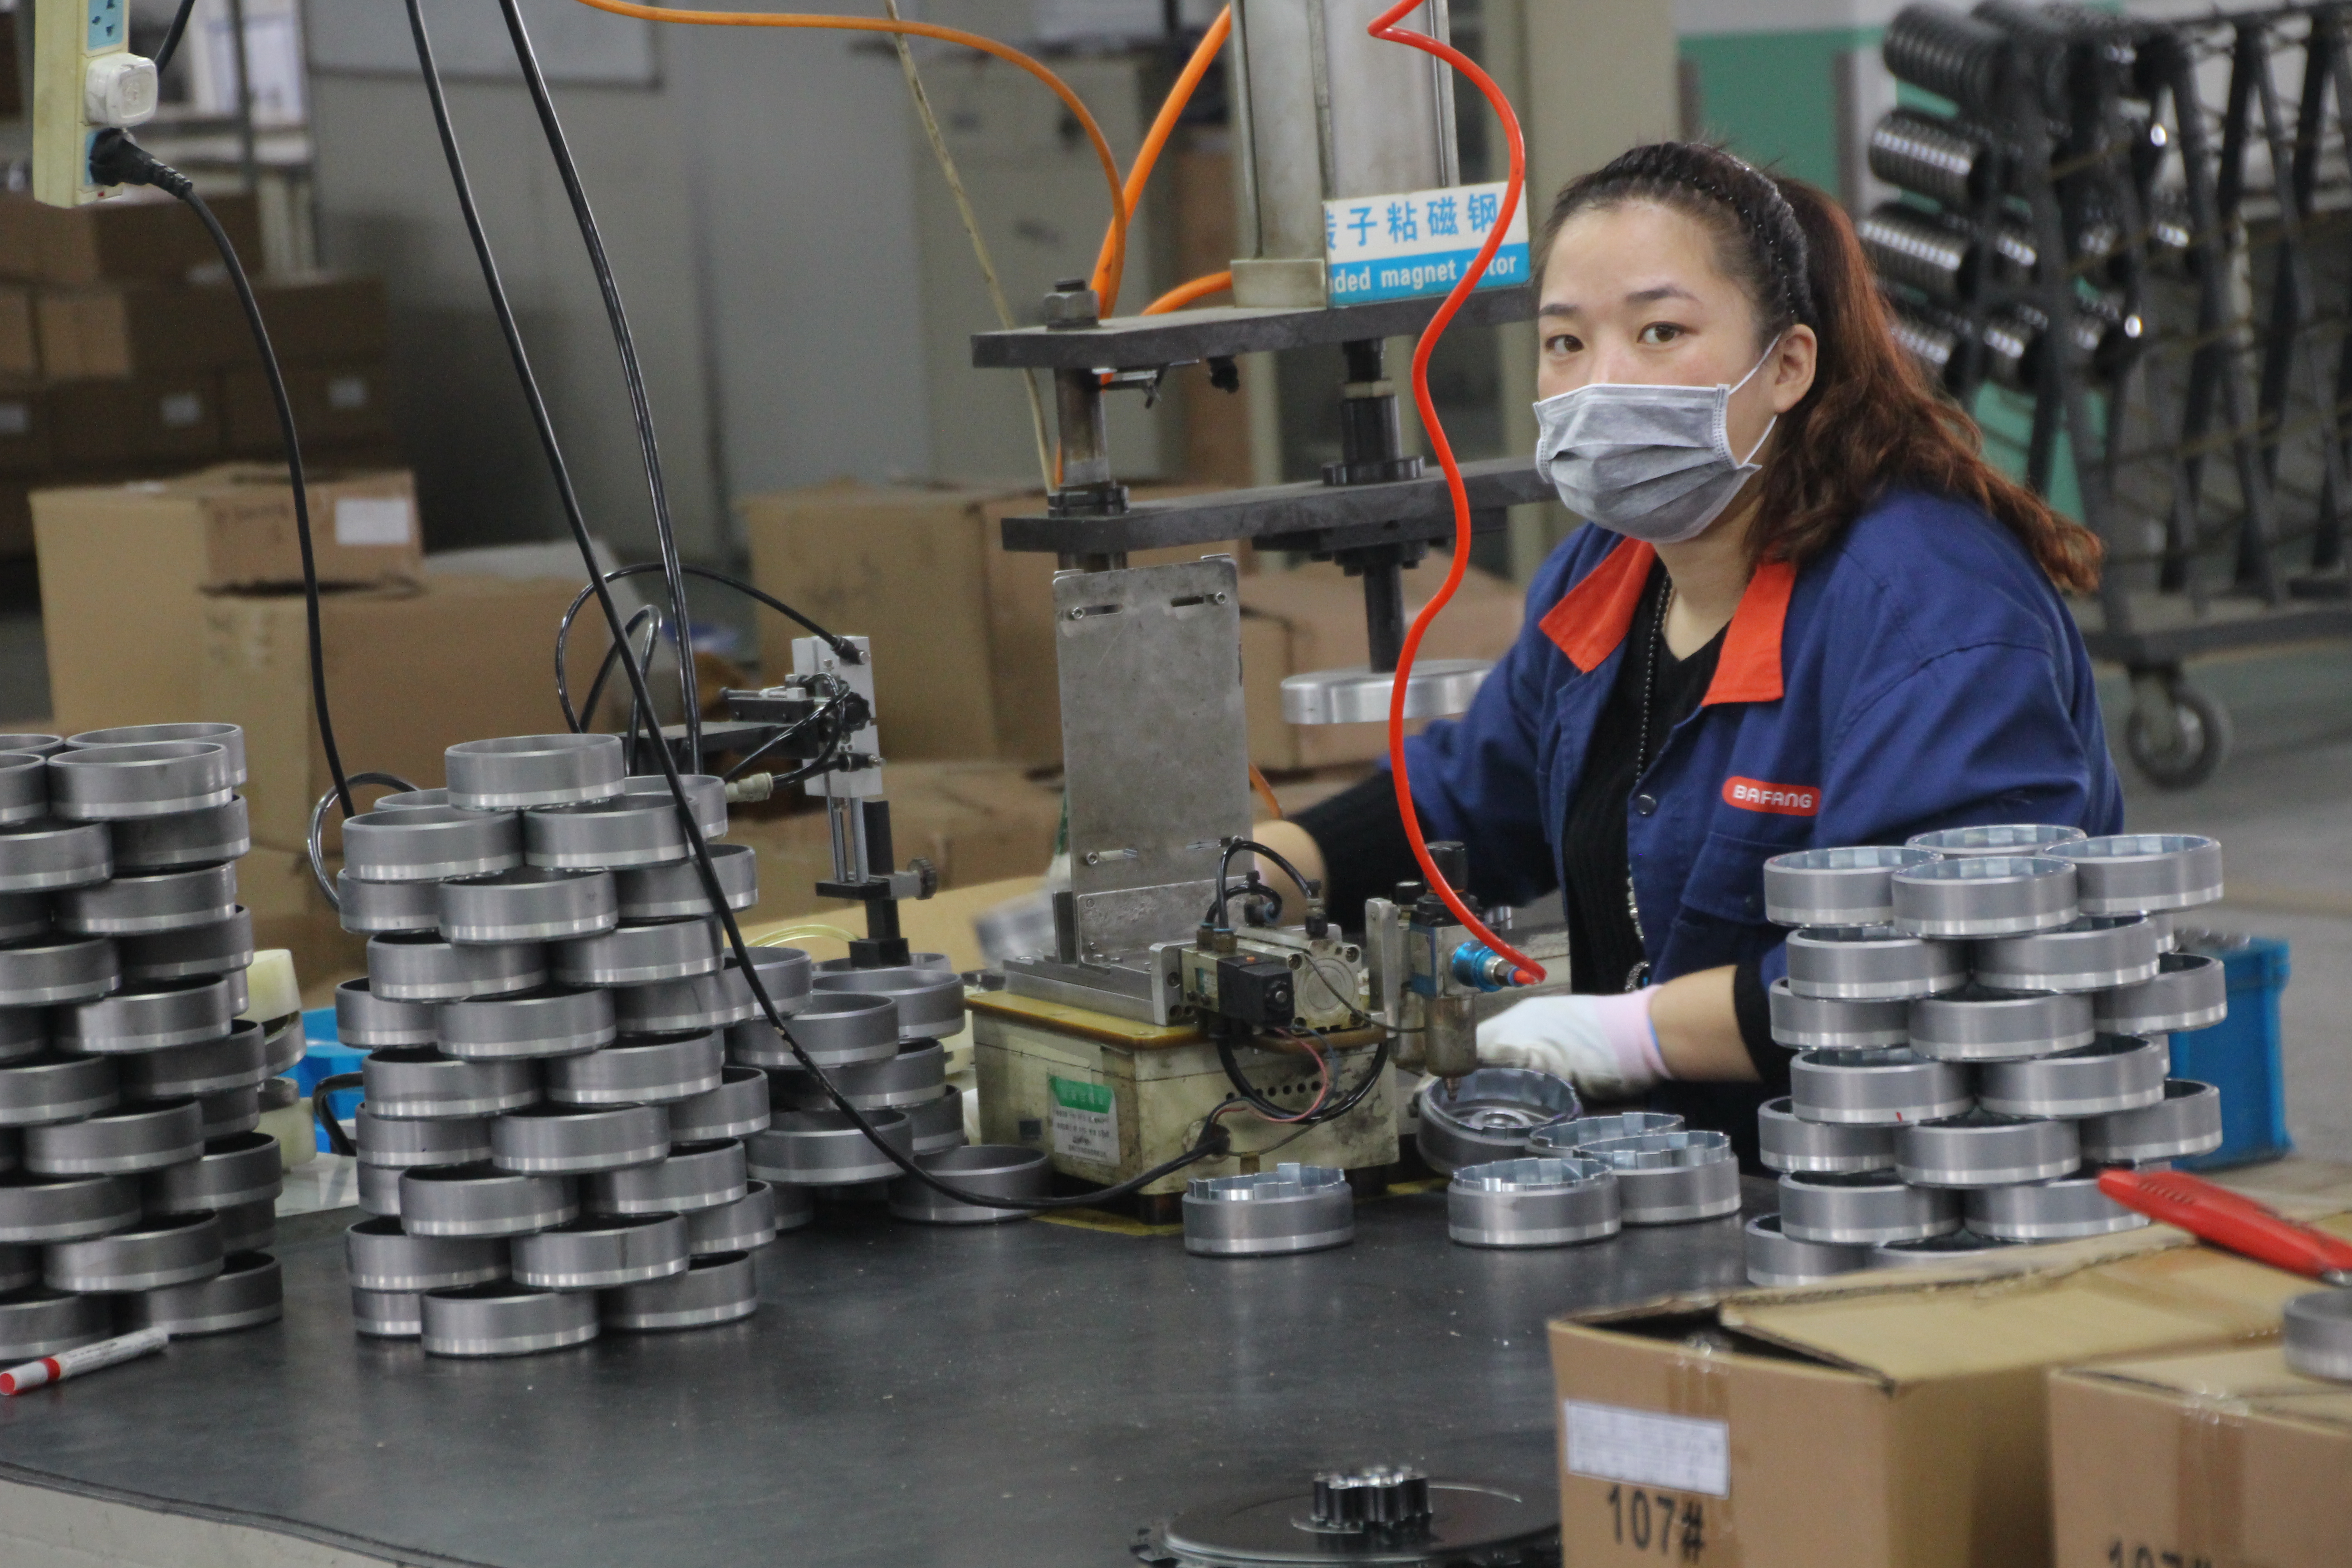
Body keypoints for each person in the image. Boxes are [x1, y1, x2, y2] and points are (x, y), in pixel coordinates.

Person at [1252, 142, 2122, 1156]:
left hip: (1933, 1184)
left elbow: (1942, 958)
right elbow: (1471, 797)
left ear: (1788, 365)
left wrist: (1631, 1033)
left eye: (1661, 332)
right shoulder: (1608, 574)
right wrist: (1270, 869)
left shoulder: (1930, 610)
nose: (1601, 383)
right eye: (1566, 343)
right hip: (1690, 1180)